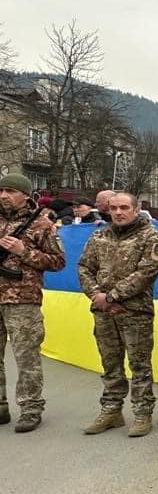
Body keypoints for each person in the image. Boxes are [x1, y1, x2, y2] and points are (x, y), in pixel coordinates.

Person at [78, 192, 158, 437]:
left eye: (124, 207)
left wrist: (113, 297)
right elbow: (84, 267)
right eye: (114, 208)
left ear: (136, 210)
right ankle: (112, 410)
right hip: (103, 312)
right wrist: (98, 296)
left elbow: (147, 272)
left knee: (139, 366)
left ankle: (142, 413)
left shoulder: (150, 236)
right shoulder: (99, 235)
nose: (118, 212)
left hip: (134, 312)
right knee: (110, 364)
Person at [0, 173, 66, 431]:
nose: (4, 195)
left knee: (26, 357)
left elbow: (58, 262)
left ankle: (30, 408)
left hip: (23, 301)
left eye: (11, 191)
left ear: (25, 195)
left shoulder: (41, 224)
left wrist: (23, 252)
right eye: (2, 190)